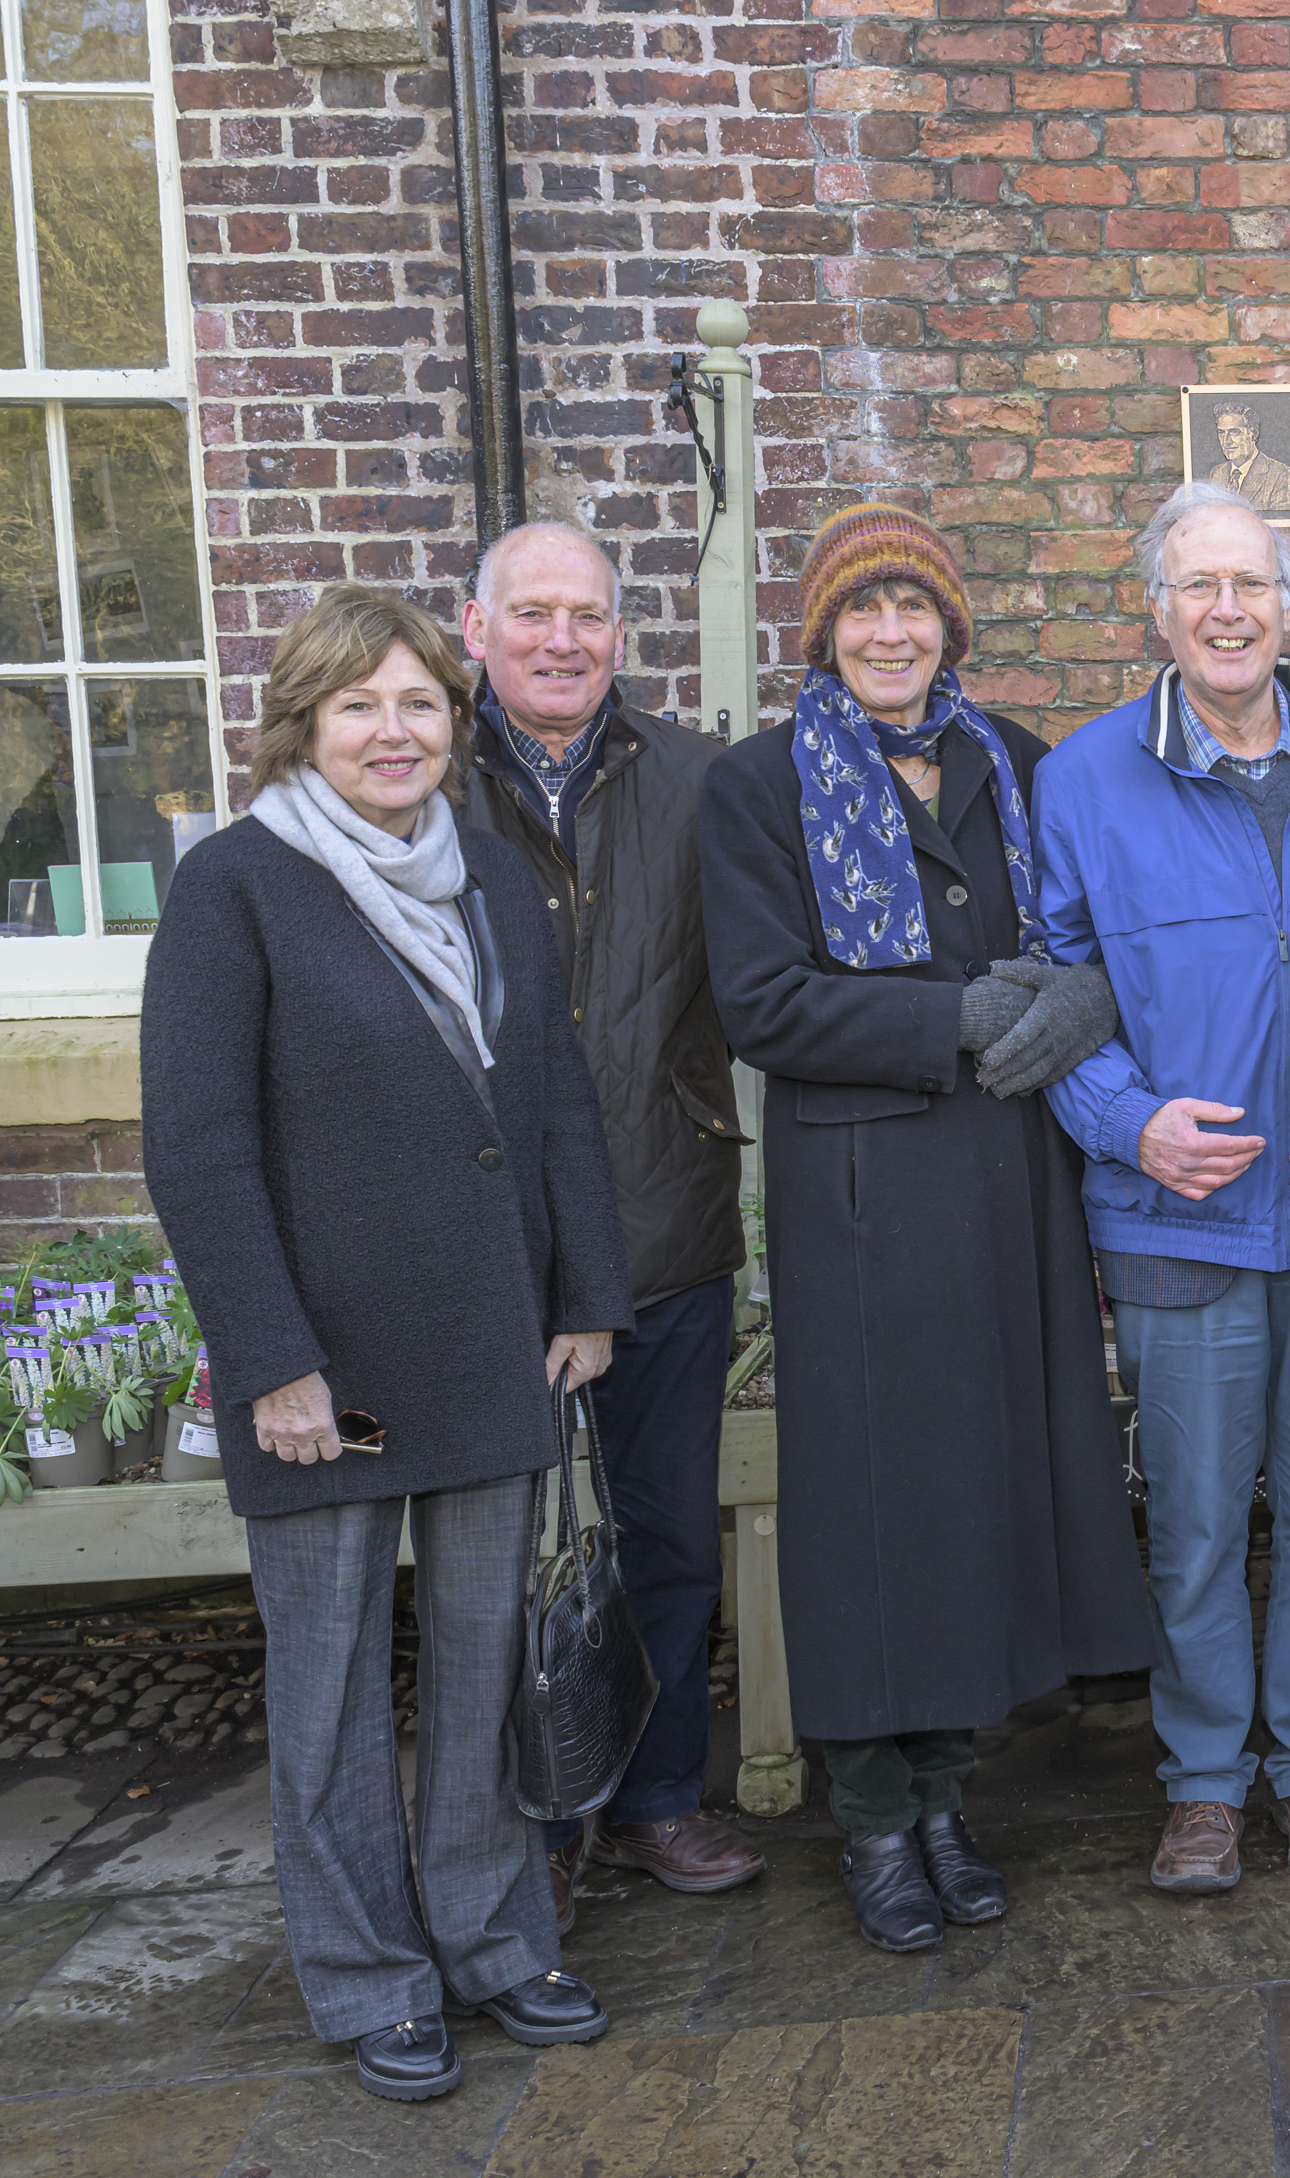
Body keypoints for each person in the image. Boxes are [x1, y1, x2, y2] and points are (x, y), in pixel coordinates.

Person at [142, 584, 634, 2103]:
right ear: (305, 722)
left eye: (419, 701)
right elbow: (201, 1146)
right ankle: (366, 1975)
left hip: (493, 1335)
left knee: (485, 1661)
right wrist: (267, 1360)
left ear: (454, 717)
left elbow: (553, 1097)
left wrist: (587, 1294)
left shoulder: (488, 873)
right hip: (325, 1370)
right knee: (336, 1680)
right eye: (359, 703)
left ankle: (489, 1938)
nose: (393, 729)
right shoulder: (236, 885)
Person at [698, 503, 1150, 1955]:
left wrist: (1083, 996)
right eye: (860, 609)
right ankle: (876, 1811)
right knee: (874, 1507)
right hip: (862, 1199)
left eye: (915, 607)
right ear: (820, 633)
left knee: (979, 1493)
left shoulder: (1013, 763)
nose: (891, 632)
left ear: (952, 626)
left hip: (1013, 1177)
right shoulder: (759, 787)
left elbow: (1085, 932)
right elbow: (764, 1000)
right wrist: (954, 1014)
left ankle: (951, 1787)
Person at [1034, 481, 1290, 1896]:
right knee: (1191, 1516)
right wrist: (1131, 1126)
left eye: (1251, 584)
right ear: (1159, 609)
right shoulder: (1083, 777)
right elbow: (1053, 1000)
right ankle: (1199, 1781)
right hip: (1179, 1216)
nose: (1228, 611)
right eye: (1199, 587)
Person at [456, 521, 762, 1931]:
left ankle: (656, 1800)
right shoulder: (421, 781)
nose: (561, 639)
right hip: (483, 1228)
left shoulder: (700, 781)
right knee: (499, 1545)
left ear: (620, 637)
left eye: (586, 614)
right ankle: (536, 1814)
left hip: (664, 1210)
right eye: (533, 614)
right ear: (476, 629)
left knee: (661, 1531)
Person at [1210, 405, 1290, 513]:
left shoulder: (1282, 476)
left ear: (1253, 433)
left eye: (1234, 432)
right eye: (1221, 432)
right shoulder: (1217, 474)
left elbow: (1284, 524)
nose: (1226, 441)